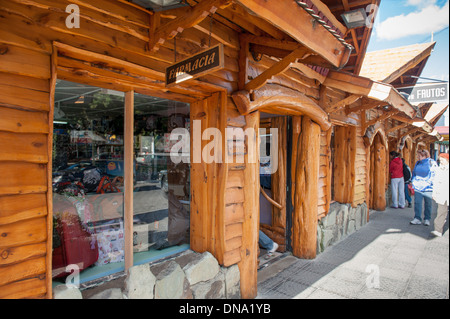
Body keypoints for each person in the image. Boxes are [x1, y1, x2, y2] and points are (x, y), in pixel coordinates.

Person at [410, 149, 437, 226]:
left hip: (428, 187)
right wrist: (413, 181)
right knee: (417, 202)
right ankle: (417, 218)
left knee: (428, 203)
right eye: (418, 155)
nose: (418, 157)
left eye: (419, 156)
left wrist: (430, 183)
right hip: (418, 186)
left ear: (425, 155)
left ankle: (427, 219)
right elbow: (414, 172)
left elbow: (434, 174)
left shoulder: (431, 163)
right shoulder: (418, 163)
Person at [431, 153, 449, 237]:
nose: (441, 162)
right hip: (442, 194)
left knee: (443, 212)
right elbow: (435, 182)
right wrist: (434, 193)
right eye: (440, 160)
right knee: (441, 211)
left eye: (442, 160)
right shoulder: (439, 170)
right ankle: (438, 230)